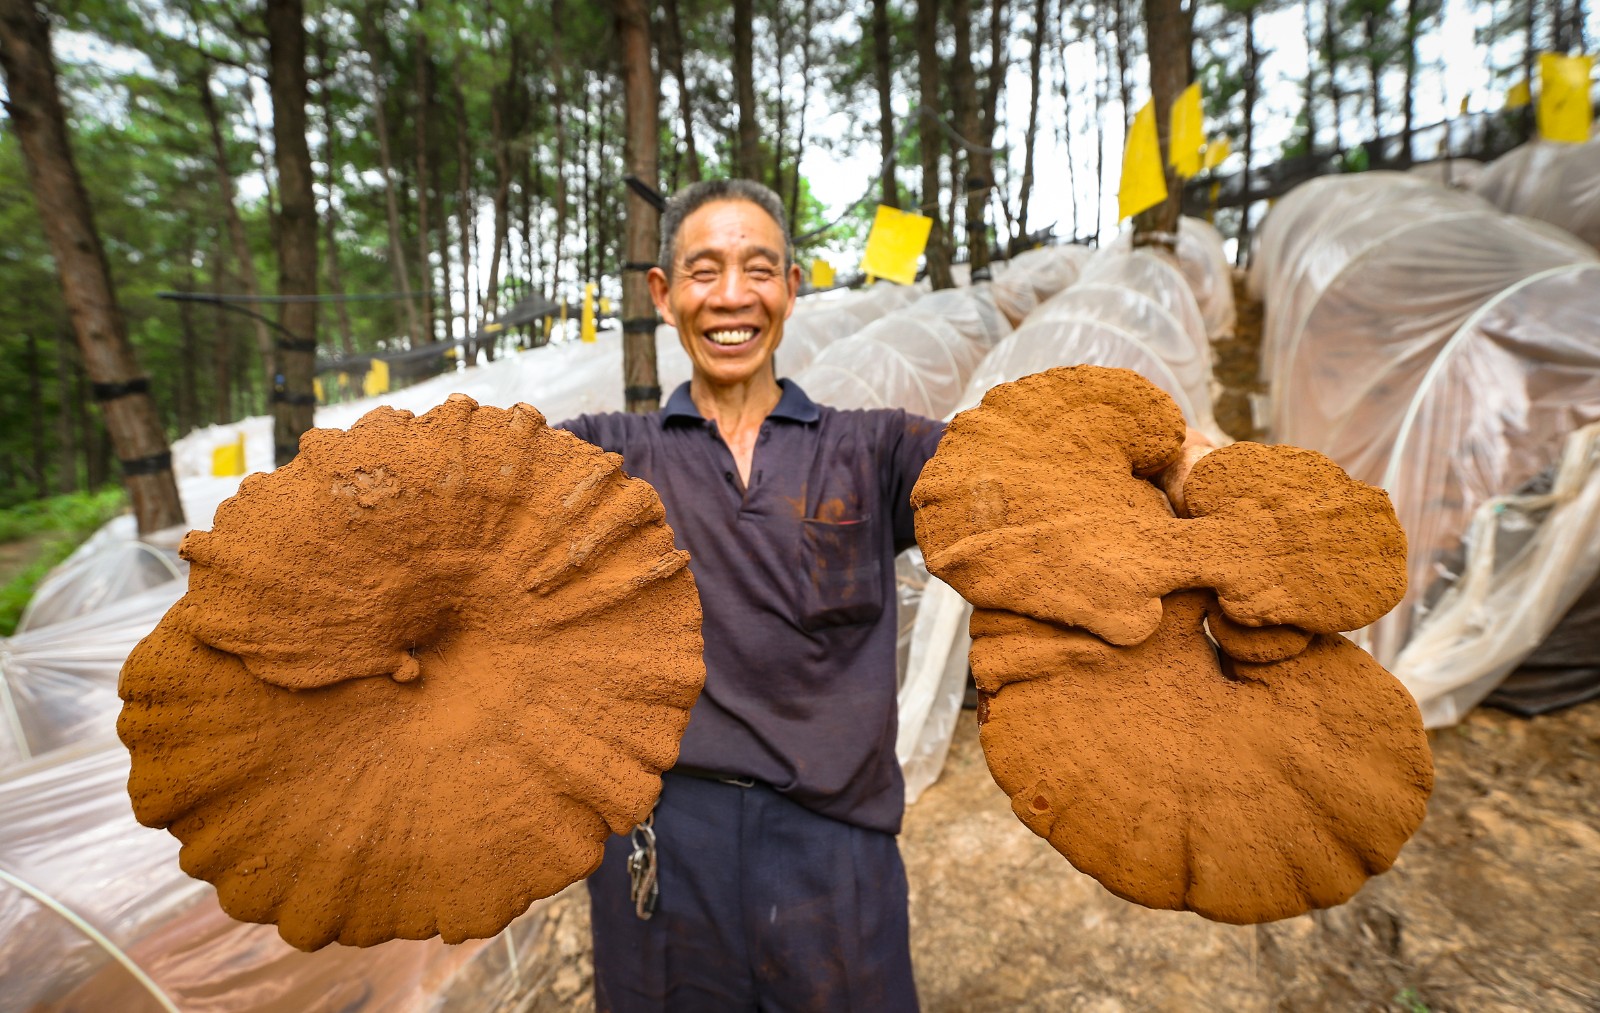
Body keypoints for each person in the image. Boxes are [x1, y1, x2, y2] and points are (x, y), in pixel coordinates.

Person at [559, 179, 1210, 1012]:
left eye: (758, 270)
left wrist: (1178, 454)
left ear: (793, 287)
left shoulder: (870, 447)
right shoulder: (612, 458)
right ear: (663, 293)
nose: (732, 297)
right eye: (704, 270)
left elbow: (1019, 467)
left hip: (834, 849)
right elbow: (474, 486)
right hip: (666, 845)